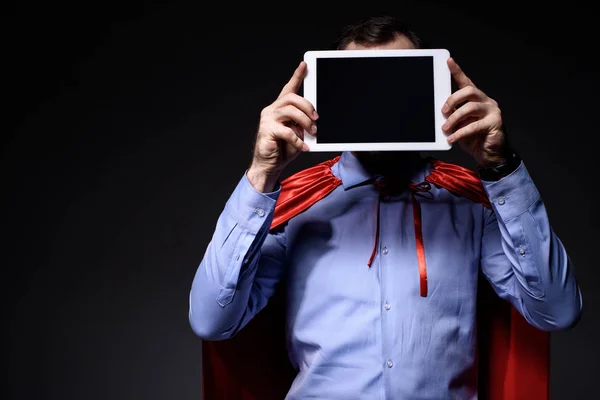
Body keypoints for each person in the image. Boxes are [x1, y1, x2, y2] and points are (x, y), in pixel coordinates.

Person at [189, 15, 582, 400]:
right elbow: (212, 321)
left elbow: (557, 311)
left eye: (396, 83)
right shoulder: (297, 204)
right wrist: (261, 174)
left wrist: (502, 168)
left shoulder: (469, 205)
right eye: (362, 85)